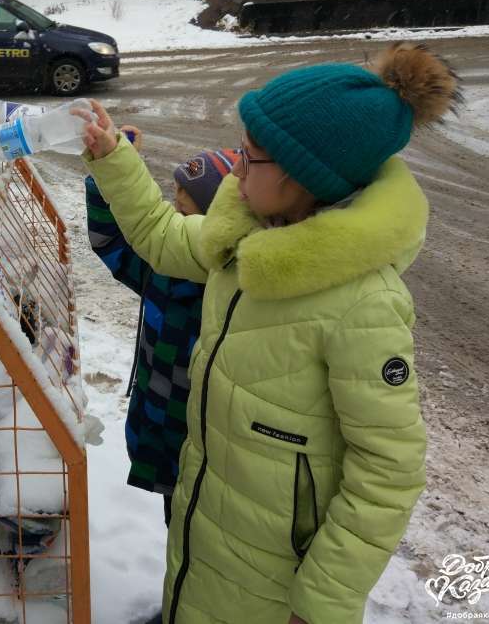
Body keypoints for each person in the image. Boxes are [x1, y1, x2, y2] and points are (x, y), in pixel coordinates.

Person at [80, 42, 461, 624]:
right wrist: (111, 158)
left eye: (250, 157)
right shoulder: (244, 238)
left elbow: (388, 471)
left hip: (280, 577)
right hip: (208, 530)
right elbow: (160, 236)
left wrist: (324, 602)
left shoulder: (363, 304)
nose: (233, 168)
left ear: (303, 175)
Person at [86, 128, 237, 529]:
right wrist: (105, 176)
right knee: (180, 532)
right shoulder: (163, 269)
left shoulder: (234, 296)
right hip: (160, 434)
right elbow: (112, 243)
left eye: (185, 213)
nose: (175, 209)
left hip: (212, 457)